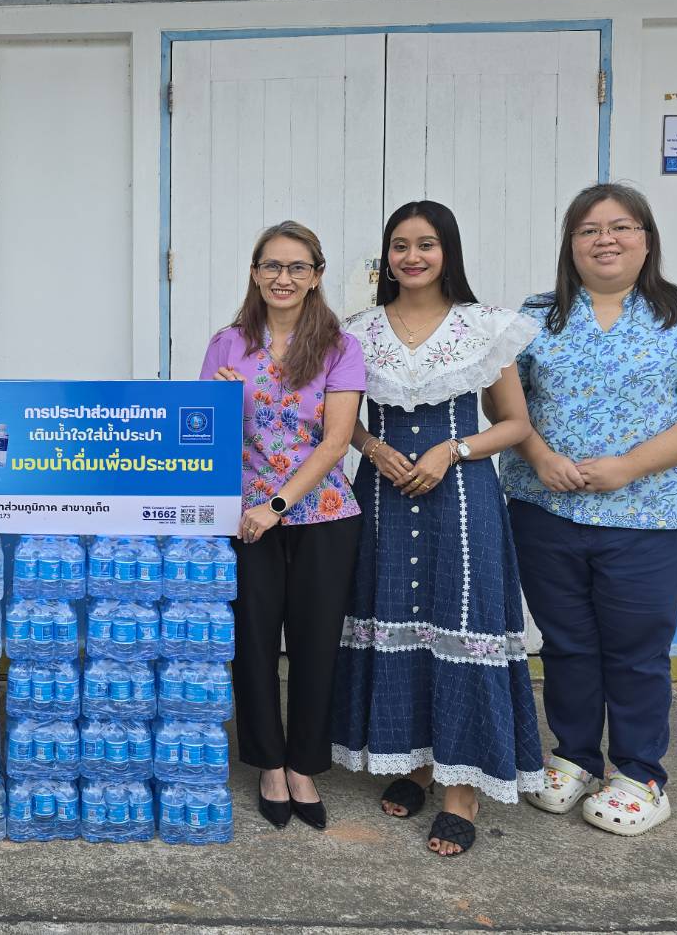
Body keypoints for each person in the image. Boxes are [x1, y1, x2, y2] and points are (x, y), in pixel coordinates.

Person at [502, 182, 677, 838]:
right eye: (587, 229)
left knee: (636, 651)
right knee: (567, 644)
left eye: (621, 226)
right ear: (569, 243)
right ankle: (573, 756)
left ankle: (639, 774)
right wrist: (541, 454)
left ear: (645, 237)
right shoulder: (534, 317)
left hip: (646, 517)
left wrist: (629, 467)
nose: (604, 239)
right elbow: (507, 408)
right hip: (545, 511)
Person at [331, 200, 542, 858]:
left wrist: (452, 450)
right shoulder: (355, 330)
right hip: (383, 495)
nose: (411, 256)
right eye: (399, 245)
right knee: (392, 615)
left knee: (463, 620)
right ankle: (416, 763)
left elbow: (515, 424)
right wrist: (369, 446)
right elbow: (334, 416)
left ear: (447, 251)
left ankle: (461, 791)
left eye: (425, 244)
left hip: (461, 494)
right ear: (385, 257)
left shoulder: (486, 326)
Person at [198, 221, 365, 832]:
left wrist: (277, 506)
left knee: (318, 644)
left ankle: (304, 766)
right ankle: (268, 763)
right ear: (254, 272)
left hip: (320, 515)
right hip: (242, 519)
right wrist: (215, 402)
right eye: (271, 266)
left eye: (297, 267)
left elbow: (337, 440)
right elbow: (203, 438)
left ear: (316, 275)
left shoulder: (340, 348)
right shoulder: (227, 343)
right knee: (254, 642)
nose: (283, 278)